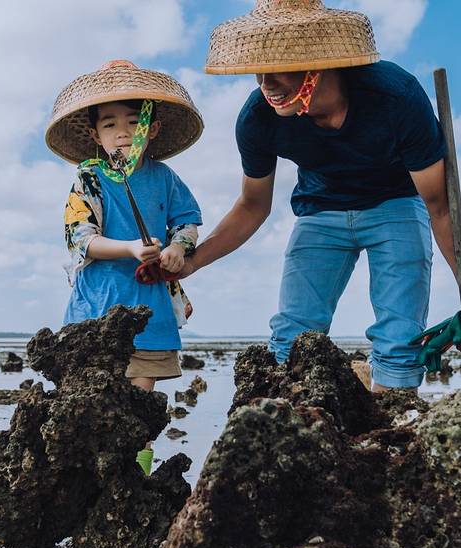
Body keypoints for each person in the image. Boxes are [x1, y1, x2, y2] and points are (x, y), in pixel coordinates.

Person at [182, 0, 456, 392]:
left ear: (320, 60)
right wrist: (193, 262)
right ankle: (289, 419)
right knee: (292, 339)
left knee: (400, 338)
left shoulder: (396, 96)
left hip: (396, 203)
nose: (266, 83)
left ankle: (395, 416)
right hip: (319, 210)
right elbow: (252, 206)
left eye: (279, 67)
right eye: (259, 70)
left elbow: (440, 207)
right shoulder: (257, 119)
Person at [45, 60, 204, 473]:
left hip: (149, 311)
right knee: (88, 407)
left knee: (139, 409)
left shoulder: (164, 177)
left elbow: (187, 222)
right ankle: (89, 482)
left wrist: (177, 249)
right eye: (110, 124)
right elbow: (80, 238)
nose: (123, 132)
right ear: (94, 135)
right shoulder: (89, 177)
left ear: (152, 129)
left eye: (134, 122)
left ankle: (135, 481)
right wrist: (131, 247)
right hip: (93, 313)